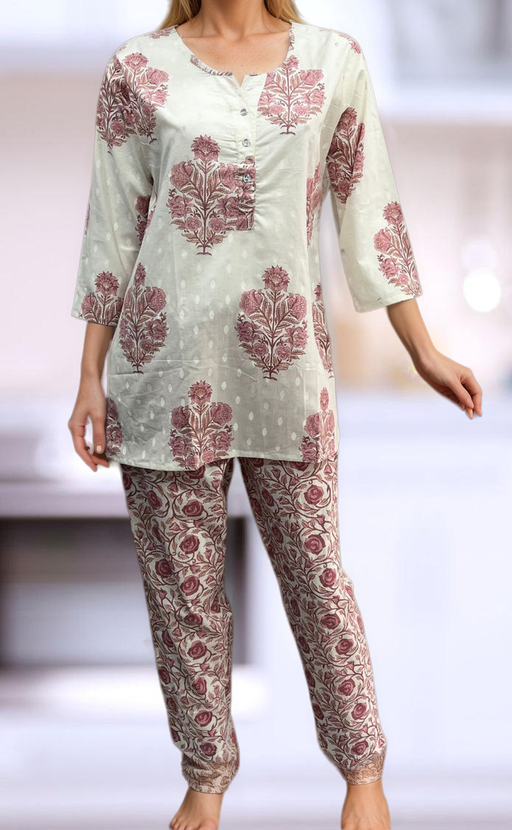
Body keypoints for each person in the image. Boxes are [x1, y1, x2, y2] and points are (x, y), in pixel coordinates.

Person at [67, 2, 483, 829]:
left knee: (317, 579)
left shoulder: (334, 61)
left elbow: (369, 207)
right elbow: (114, 228)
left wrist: (422, 348)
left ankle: (363, 771)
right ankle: (206, 780)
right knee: (184, 600)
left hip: (287, 371)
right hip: (162, 370)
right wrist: (89, 374)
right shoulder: (138, 70)